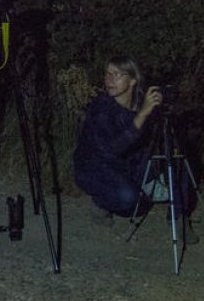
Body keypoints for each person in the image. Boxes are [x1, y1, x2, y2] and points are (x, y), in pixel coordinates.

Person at [73, 56, 194, 225]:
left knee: (177, 160)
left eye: (117, 74)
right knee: (129, 199)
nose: (109, 80)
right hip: (95, 169)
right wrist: (142, 115)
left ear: (132, 81)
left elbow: (154, 145)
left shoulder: (141, 103)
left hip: (129, 166)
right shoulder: (101, 108)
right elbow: (112, 150)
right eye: (107, 74)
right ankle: (100, 202)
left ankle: (178, 218)